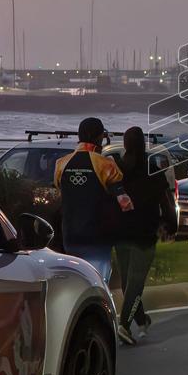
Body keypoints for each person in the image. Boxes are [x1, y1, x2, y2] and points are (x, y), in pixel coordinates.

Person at [112, 127, 177, 346]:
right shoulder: (153, 170)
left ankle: (141, 319)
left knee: (127, 282)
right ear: (143, 144)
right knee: (136, 282)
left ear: (125, 144)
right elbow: (166, 201)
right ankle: (124, 324)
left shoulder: (117, 169)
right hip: (145, 232)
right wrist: (170, 225)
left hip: (121, 231)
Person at [54, 117, 133, 285]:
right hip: (98, 238)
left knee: (76, 283)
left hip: (70, 237)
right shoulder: (106, 165)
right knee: (98, 285)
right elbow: (124, 203)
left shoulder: (61, 164)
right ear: (98, 137)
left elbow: (62, 193)